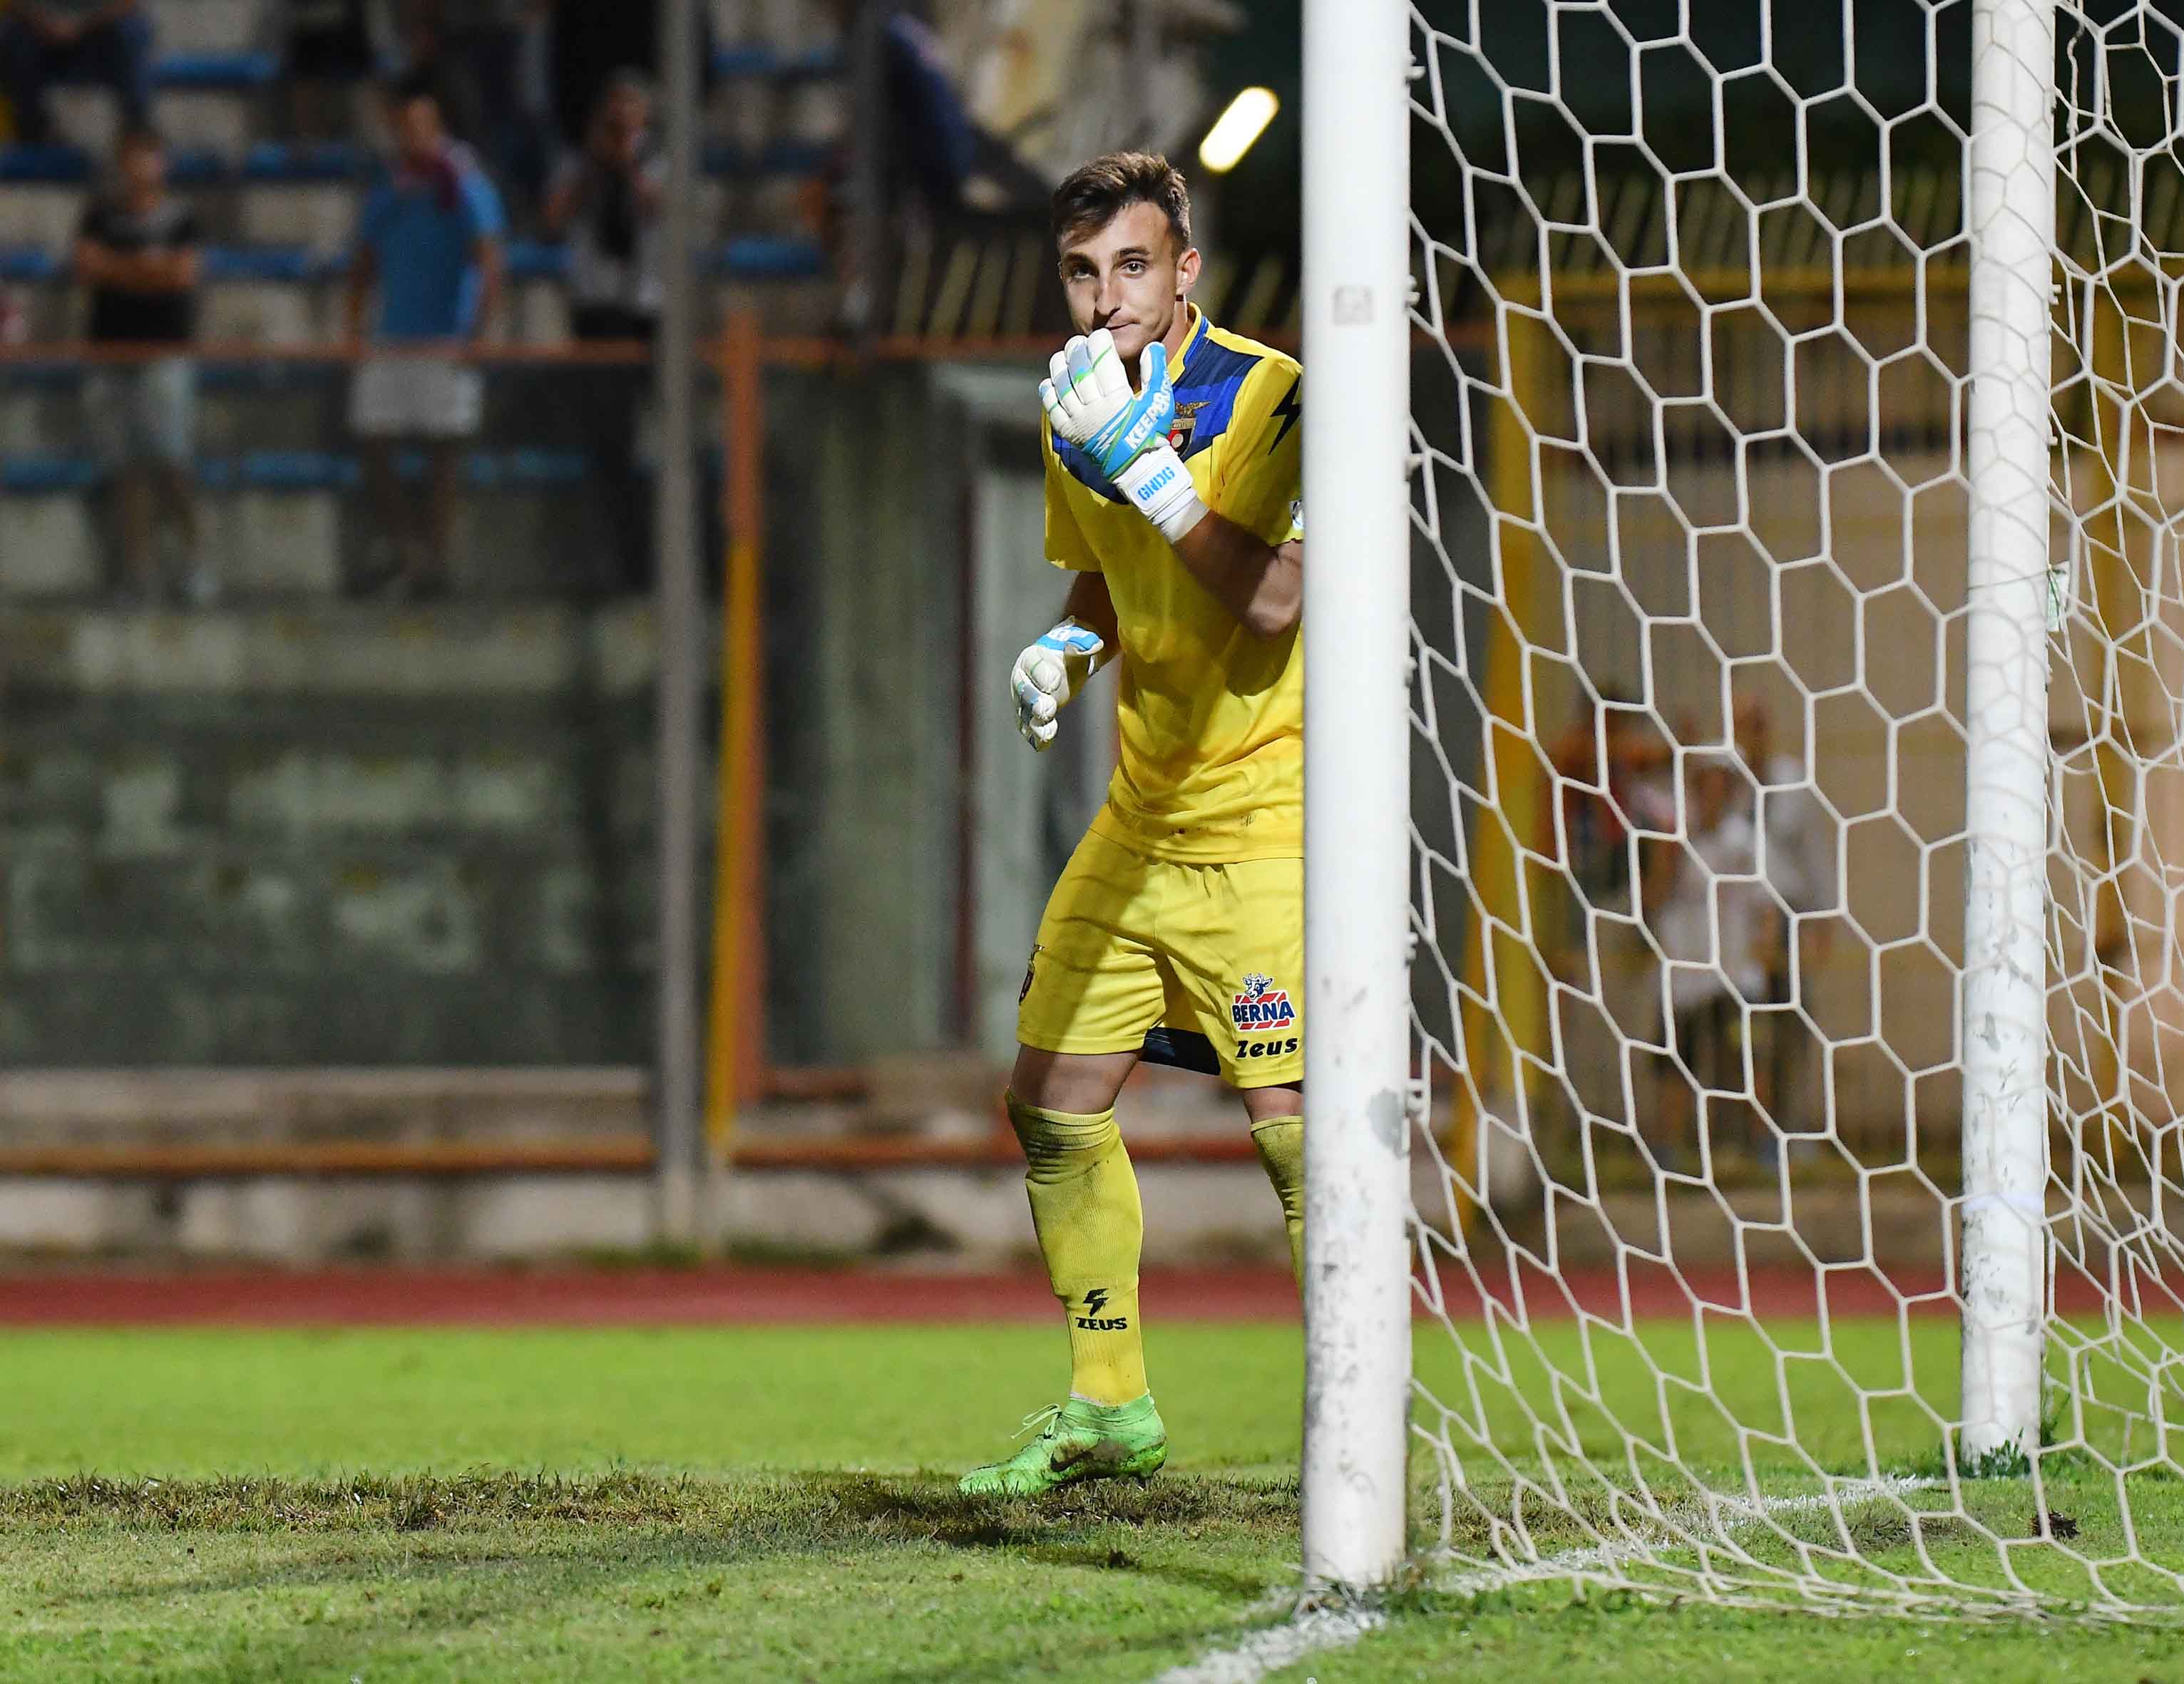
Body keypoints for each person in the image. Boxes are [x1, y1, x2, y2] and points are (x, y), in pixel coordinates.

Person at [957, 153, 1304, 1499]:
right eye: (1081, 272)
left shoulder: (1268, 395)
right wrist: (1066, 647)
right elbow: (1107, 581)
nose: (1106, 298)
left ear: (1185, 271)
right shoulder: (1074, 410)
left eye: (1133, 267)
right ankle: (1108, 1405)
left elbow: (1275, 598)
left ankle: (1360, 1410)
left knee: (1293, 1129)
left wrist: (1150, 472)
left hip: (1267, 821)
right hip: (1140, 816)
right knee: (1049, 1098)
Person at [344, 73, 507, 599]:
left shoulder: (465, 186)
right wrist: (354, 329)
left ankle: (437, 563)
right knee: (374, 442)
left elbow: (489, 261)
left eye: (422, 125)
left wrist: (478, 334)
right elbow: (363, 262)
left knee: (444, 456)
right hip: (392, 338)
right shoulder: (389, 190)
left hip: (445, 342)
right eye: (405, 125)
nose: (413, 135)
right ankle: (406, 550)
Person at [75, 128, 207, 604]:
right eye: (130, 158)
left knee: (172, 463)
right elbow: (87, 267)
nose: (138, 169)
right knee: (124, 471)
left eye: (147, 158)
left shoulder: (182, 219)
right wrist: (148, 269)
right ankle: (137, 574)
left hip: (165, 356)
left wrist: (119, 269)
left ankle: (194, 564)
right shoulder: (99, 216)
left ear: (162, 164)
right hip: (109, 357)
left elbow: (183, 276)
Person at [540, 68, 662, 590]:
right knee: (606, 443)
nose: (619, 130)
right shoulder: (577, 166)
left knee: (650, 442)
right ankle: (619, 562)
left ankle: (657, 560)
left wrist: (627, 164)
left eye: (628, 119)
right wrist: (594, 165)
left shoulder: (660, 162)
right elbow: (552, 219)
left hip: (645, 316)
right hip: (595, 314)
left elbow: (658, 208)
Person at [1641, 749, 1768, 1169]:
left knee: (1750, 1056)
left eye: (1721, 785)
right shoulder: (1677, 837)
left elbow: (1763, 902)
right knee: (1678, 1062)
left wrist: (1764, 948)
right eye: (1705, 785)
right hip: (1685, 973)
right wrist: (1667, 855)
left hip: (1734, 971)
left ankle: (1762, 1146)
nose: (1713, 794)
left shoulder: (1743, 841)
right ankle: (1666, 1151)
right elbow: (1653, 898)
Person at [1733, 696, 1840, 1136]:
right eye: (1745, 724)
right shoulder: (1724, 778)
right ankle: (1743, 1129)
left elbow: (1814, 852)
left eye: (1759, 723)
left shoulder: (1792, 780)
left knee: (1789, 1022)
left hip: (1786, 915)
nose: (1753, 734)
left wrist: (1823, 917)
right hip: (1735, 916)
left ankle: (1787, 1125)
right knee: (1741, 1026)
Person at [0, 0, 152, 145]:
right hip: (41, 33)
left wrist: (81, 23)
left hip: (99, 31)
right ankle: (32, 131)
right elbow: (16, 4)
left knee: (130, 31)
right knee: (10, 35)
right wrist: (47, 21)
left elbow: (127, 4)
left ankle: (136, 134)